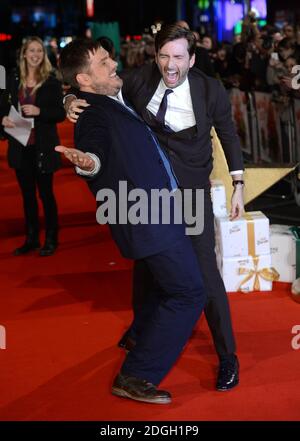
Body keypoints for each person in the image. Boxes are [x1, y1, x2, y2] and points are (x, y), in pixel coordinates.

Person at [65, 25, 245, 391]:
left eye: (178, 57)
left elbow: (228, 135)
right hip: (152, 200)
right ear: (155, 57)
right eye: (164, 56)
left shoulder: (210, 89)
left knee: (205, 278)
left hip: (192, 195)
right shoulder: (137, 81)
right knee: (149, 272)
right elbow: (94, 94)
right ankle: (142, 334)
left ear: (191, 59)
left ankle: (227, 357)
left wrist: (238, 184)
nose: (170, 64)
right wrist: (68, 100)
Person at [0, 36, 65, 256]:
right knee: (27, 195)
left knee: (45, 194)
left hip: (43, 146)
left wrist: (40, 112)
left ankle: (51, 238)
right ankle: (31, 238)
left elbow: (60, 113)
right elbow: (2, 106)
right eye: (31, 51)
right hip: (19, 144)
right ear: (24, 54)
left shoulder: (51, 81)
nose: (35, 55)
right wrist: (3, 120)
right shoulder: (12, 78)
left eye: (39, 51)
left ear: (43, 55)